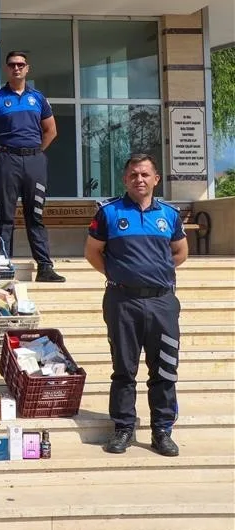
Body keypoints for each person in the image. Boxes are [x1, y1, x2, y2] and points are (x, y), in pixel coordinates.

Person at [84, 154, 187, 457]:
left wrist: (157, 274)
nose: (138, 180)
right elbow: (93, 253)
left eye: (144, 174)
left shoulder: (169, 214)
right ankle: (124, 428)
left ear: (156, 179)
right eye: (132, 175)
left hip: (162, 302)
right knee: (124, 369)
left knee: (165, 369)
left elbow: (180, 252)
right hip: (122, 301)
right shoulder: (108, 212)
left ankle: (162, 431)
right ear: (124, 179)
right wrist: (119, 275)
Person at [0, 51, 65, 282]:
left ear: (27, 68)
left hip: (34, 160)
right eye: (12, 65)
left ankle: (45, 268)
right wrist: (0, 152)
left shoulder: (38, 98)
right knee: (5, 215)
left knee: (35, 215)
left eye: (21, 65)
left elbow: (51, 131)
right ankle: (0, 266)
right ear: (7, 68)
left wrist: (35, 151)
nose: (17, 68)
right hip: (7, 160)